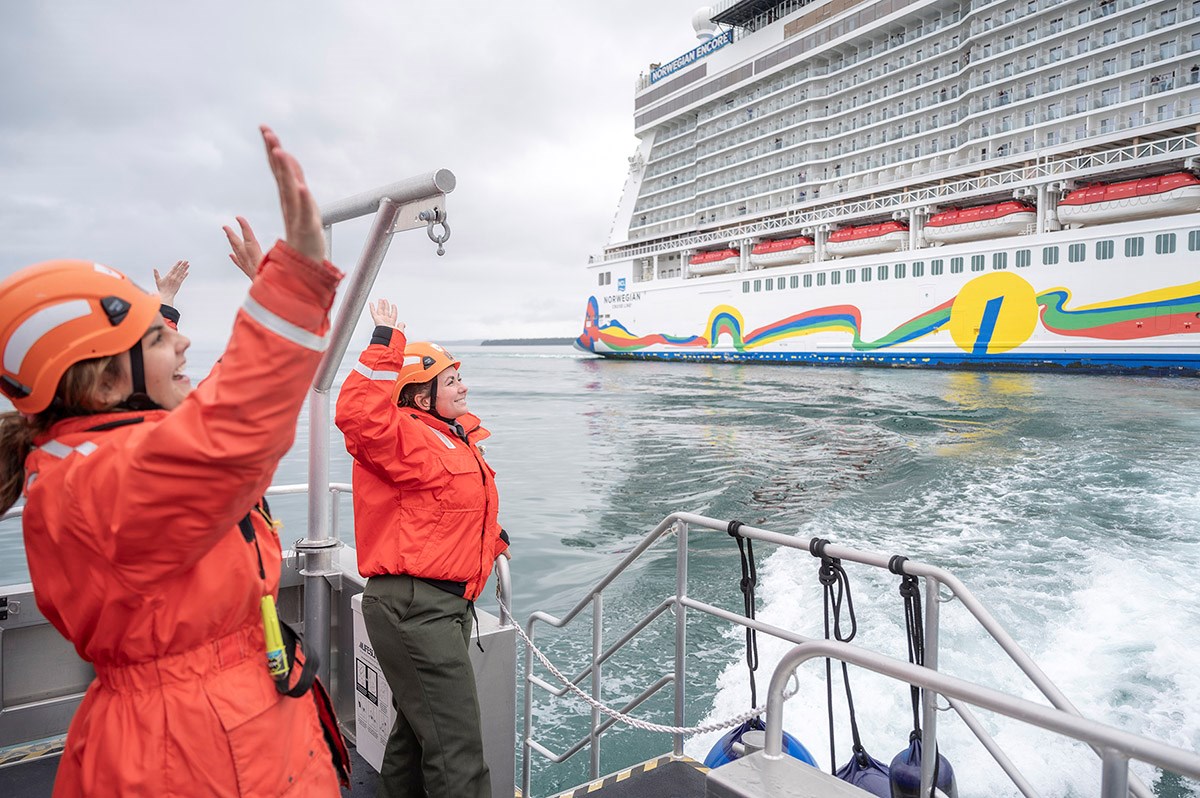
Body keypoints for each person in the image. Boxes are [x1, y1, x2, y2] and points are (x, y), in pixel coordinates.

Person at [0, 126, 349, 797]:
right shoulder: (98, 486)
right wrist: (294, 288)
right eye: (160, 336)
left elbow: (213, 418)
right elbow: (229, 437)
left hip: (225, 726)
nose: (184, 340)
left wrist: (275, 304)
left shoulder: (100, 461)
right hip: (196, 753)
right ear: (104, 385)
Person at [335, 298, 509, 798]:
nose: (464, 387)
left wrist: (491, 541)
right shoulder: (406, 437)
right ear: (420, 394)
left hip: (442, 606)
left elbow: (445, 510)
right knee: (459, 758)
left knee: (414, 738)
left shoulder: (450, 440)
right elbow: (359, 418)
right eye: (451, 380)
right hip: (418, 610)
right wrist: (385, 342)